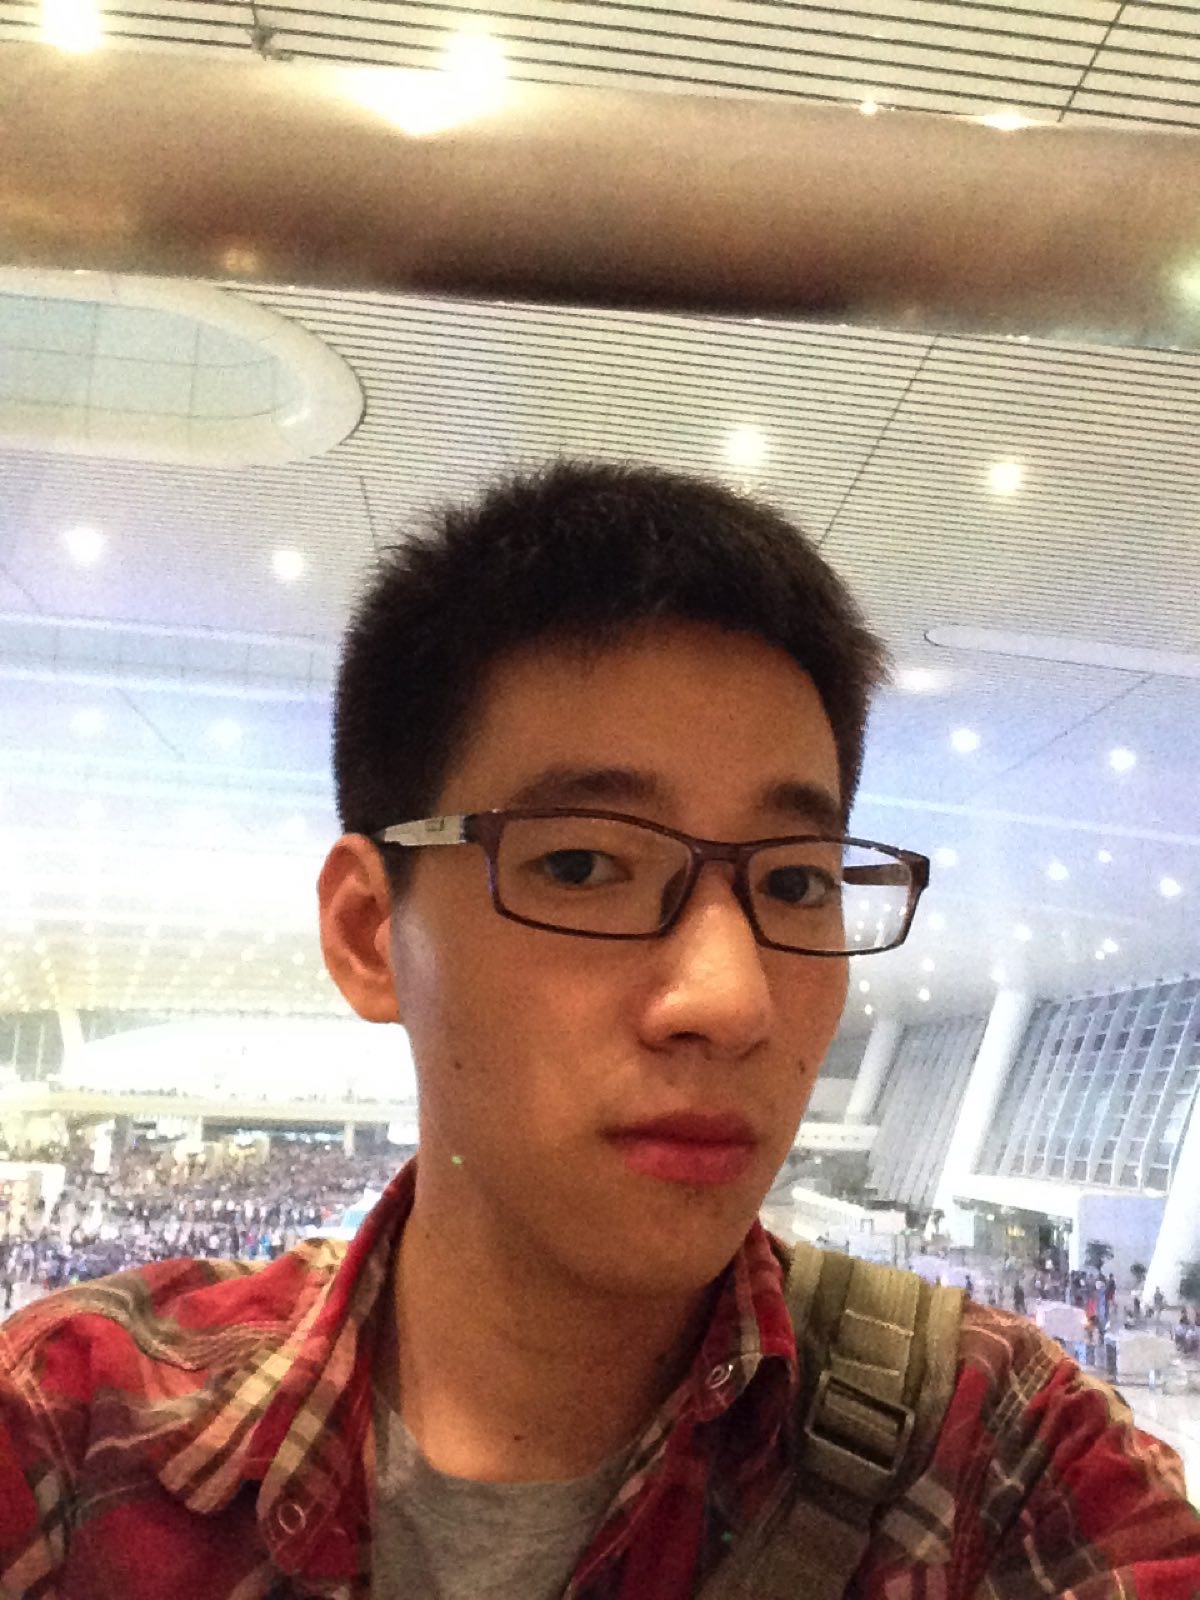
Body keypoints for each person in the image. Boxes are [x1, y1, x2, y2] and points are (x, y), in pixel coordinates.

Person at [1, 461, 1197, 1599]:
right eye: (582, 864)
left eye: (795, 882)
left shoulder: (1002, 1460)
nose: (732, 1000)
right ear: (370, 932)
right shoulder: (77, 1429)